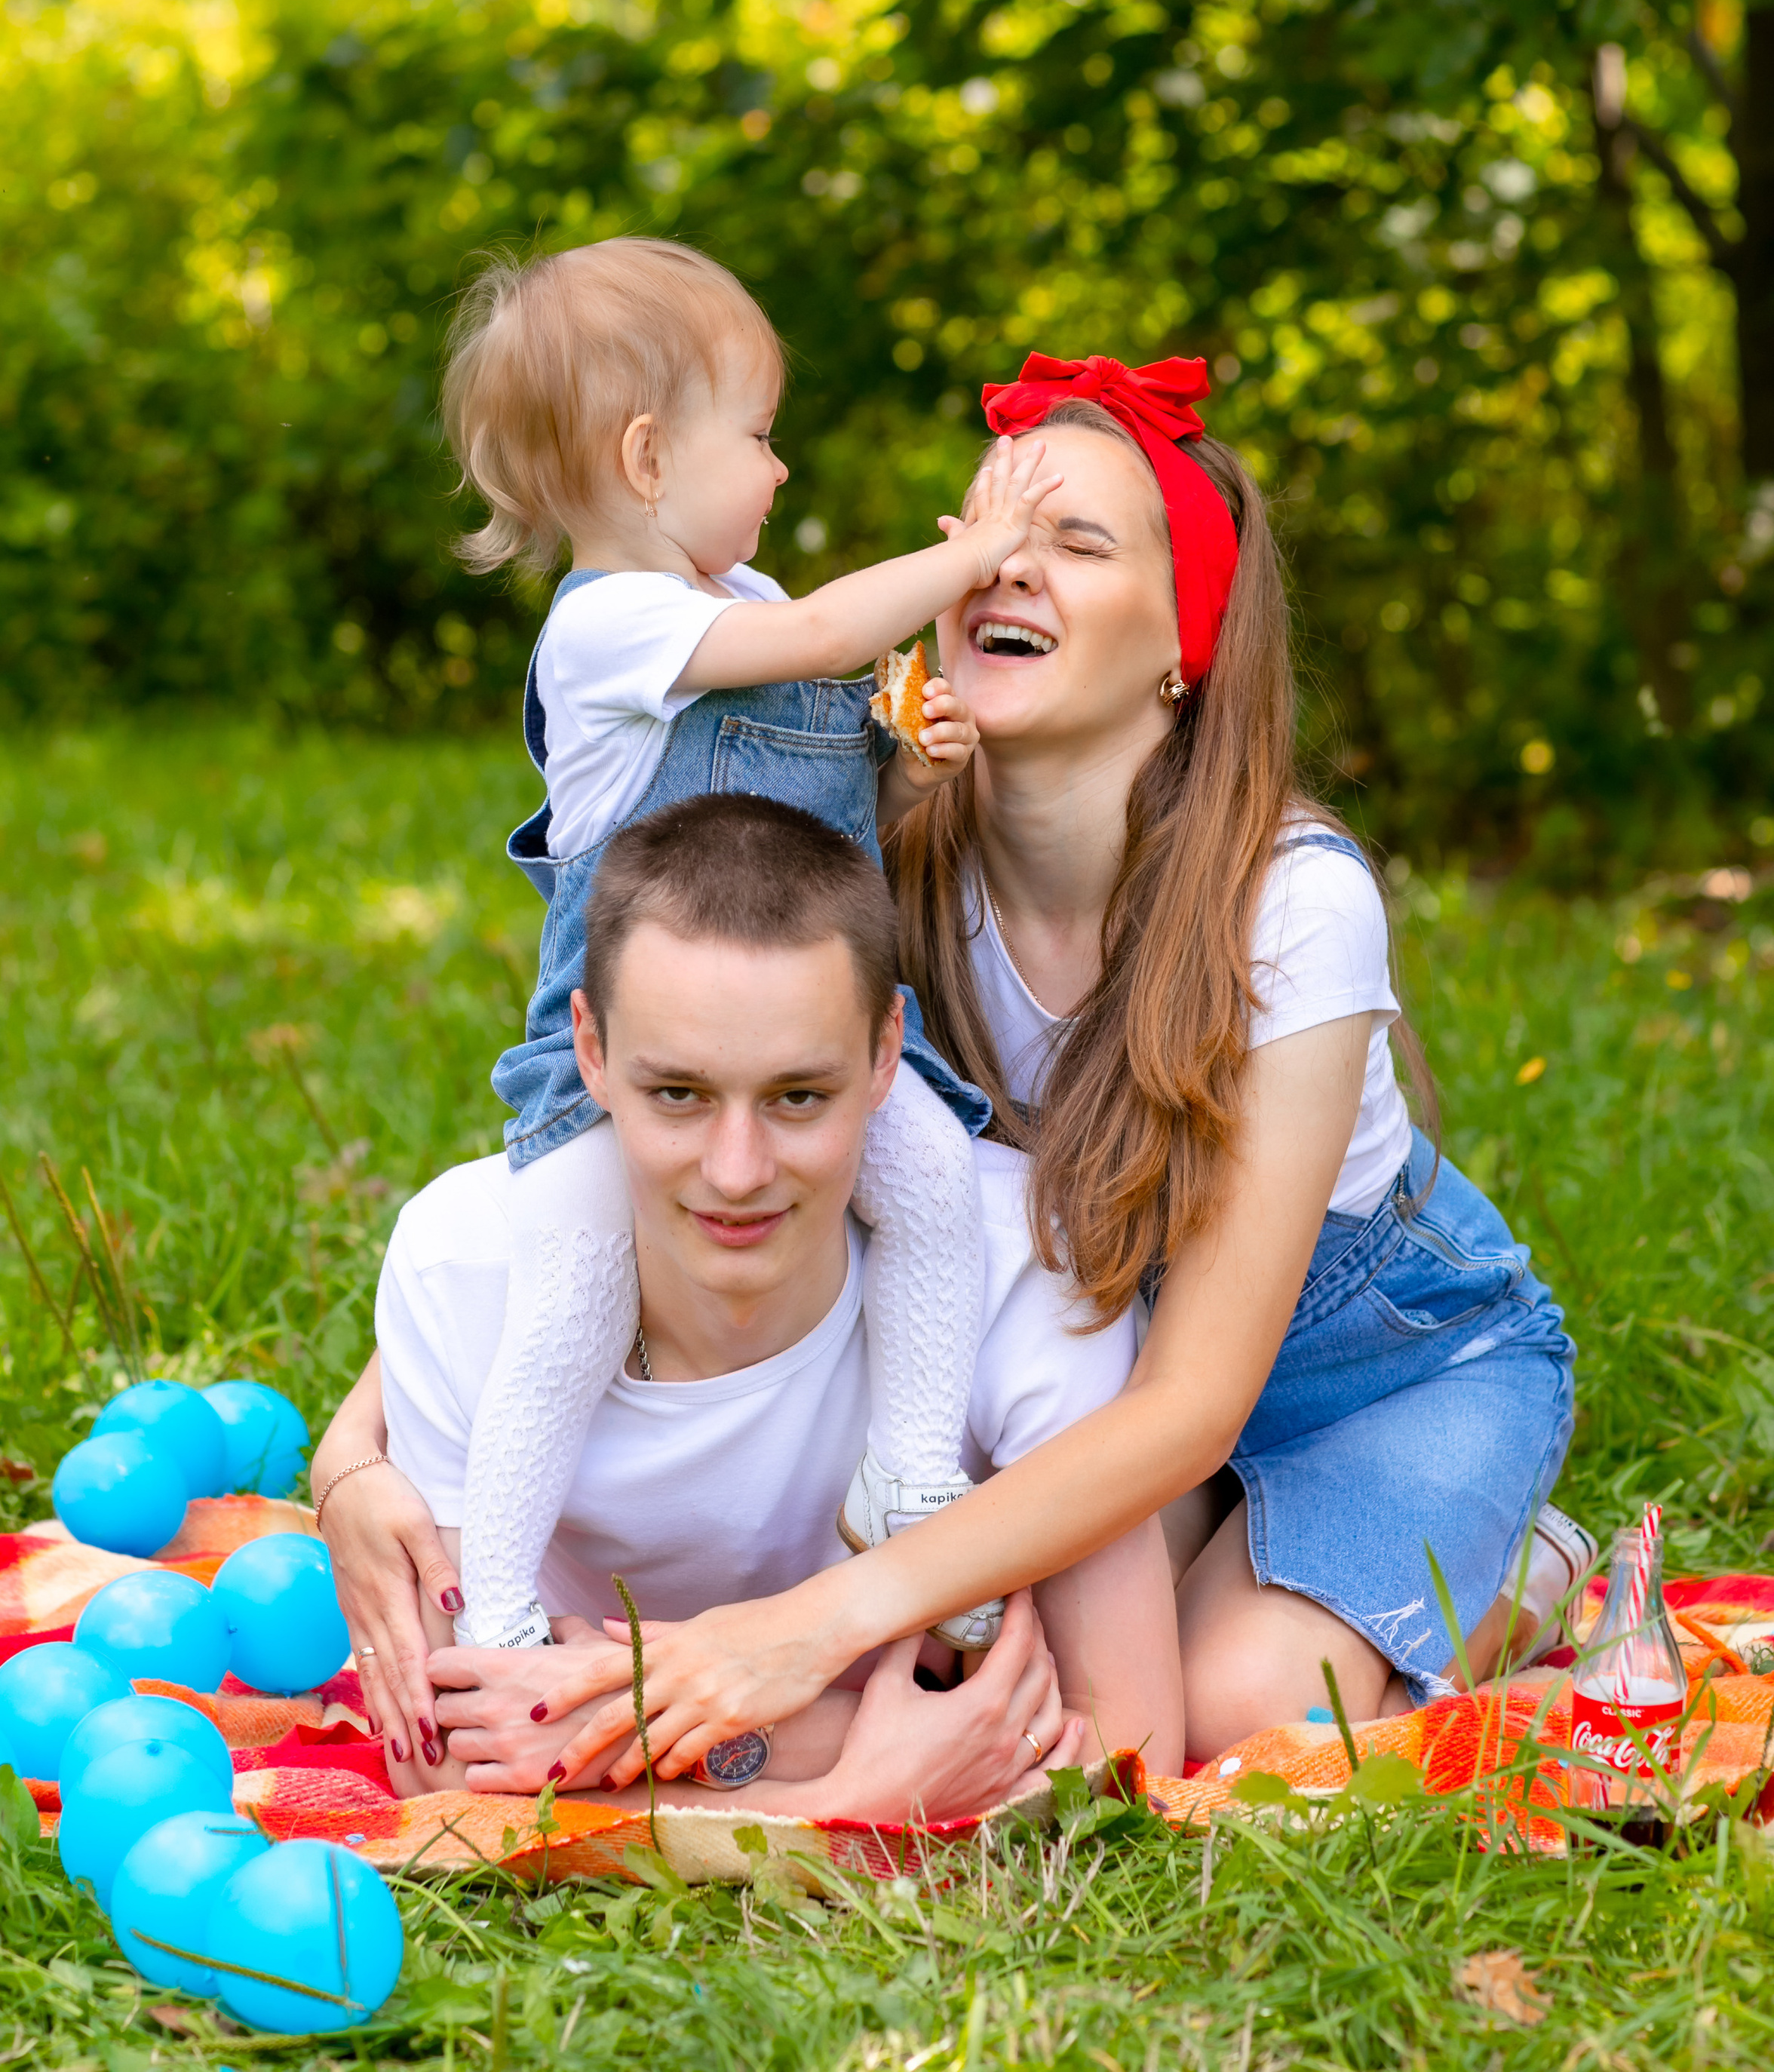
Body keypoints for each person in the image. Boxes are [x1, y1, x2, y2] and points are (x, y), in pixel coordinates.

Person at [316, 345, 1588, 1781]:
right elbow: (594, 1155)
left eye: (1075, 542)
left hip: (1378, 1368)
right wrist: (352, 1455)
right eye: (984, 528)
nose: (1005, 566)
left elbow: (1196, 1405)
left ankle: (1522, 1564)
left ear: (1187, 638)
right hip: (1101, 1368)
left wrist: (795, 1630)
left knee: (1238, 1713)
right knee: (1017, 1671)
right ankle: (1270, 1566)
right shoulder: (893, 848)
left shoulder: (1287, 905)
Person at [423, 238, 1065, 1664]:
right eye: (760, 436)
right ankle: (501, 1601)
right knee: (576, 1293)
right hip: (629, 1067)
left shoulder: (749, 609)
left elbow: (822, 817)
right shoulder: (607, 628)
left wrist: (910, 766)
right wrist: (974, 554)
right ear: (648, 458)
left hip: (804, 1042)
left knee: (933, 1187)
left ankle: (908, 1473)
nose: (780, 471)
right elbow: (839, 628)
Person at [362, 790, 1182, 1814]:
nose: (738, 1171)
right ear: (591, 1052)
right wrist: (842, 1789)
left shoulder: (1021, 1258)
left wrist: (629, 1727)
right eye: (679, 1094)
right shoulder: (462, 1263)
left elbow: (1131, 1737)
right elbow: (441, 1767)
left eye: (798, 1097)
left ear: (885, 1054)